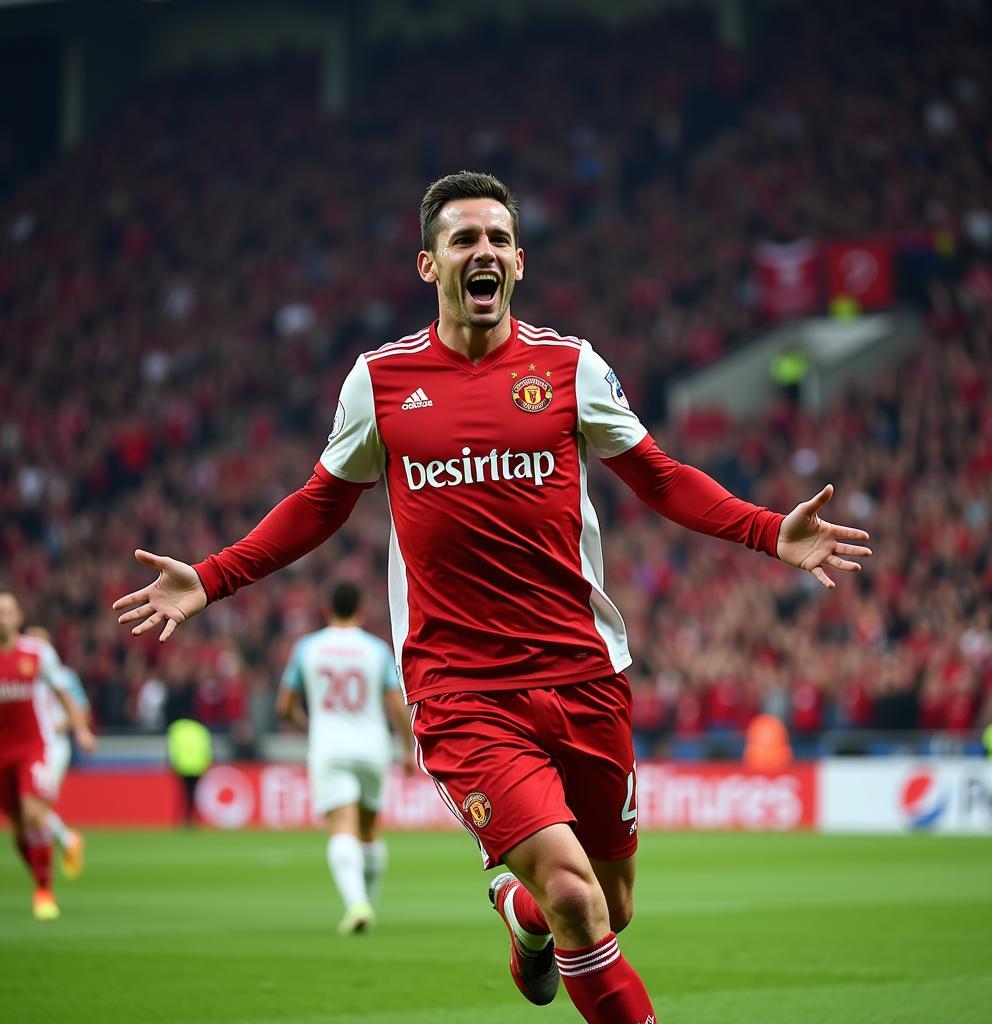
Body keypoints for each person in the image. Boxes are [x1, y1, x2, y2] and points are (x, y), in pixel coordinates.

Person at [113, 171, 870, 1023]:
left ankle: (521, 919)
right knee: (580, 900)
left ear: (519, 262)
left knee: (609, 907)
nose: (485, 252)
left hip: (586, 674)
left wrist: (771, 531)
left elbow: (657, 477)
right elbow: (320, 502)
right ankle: (552, 921)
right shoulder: (382, 382)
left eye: (499, 239)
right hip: (462, 692)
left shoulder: (570, 367)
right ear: (428, 265)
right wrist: (212, 577)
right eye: (465, 239)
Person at [276, 580, 415, 934]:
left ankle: (356, 904)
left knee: (342, 827)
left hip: (330, 747)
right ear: (361, 610)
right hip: (372, 747)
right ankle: (367, 900)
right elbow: (394, 704)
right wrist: (406, 749)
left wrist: (309, 725)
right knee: (369, 830)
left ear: (327, 610)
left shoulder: (308, 647)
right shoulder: (376, 650)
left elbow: (284, 705)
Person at [0, 588, 96, 919]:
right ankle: (49, 863)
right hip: (1, 753)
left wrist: (80, 729)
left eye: (8, 611)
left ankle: (44, 890)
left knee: (32, 813)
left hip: (34, 747)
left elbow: (65, 692)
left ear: (19, 617)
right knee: (16, 828)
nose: (2, 617)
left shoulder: (37, 654)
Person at [23, 624, 90, 879]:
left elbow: (80, 708)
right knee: (29, 807)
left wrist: (79, 730)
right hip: (28, 745)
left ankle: (65, 841)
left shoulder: (63, 675)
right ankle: (67, 840)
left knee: (35, 805)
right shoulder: (20, 673)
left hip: (54, 745)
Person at [166, 716, 213, 826]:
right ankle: (192, 819)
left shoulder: (177, 728)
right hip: (197, 766)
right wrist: (207, 762)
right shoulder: (200, 729)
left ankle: (183, 819)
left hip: (182, 766)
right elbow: (206, 748)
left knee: (185, 794)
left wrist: (172, 763)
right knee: (193, 795)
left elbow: (172, 748)